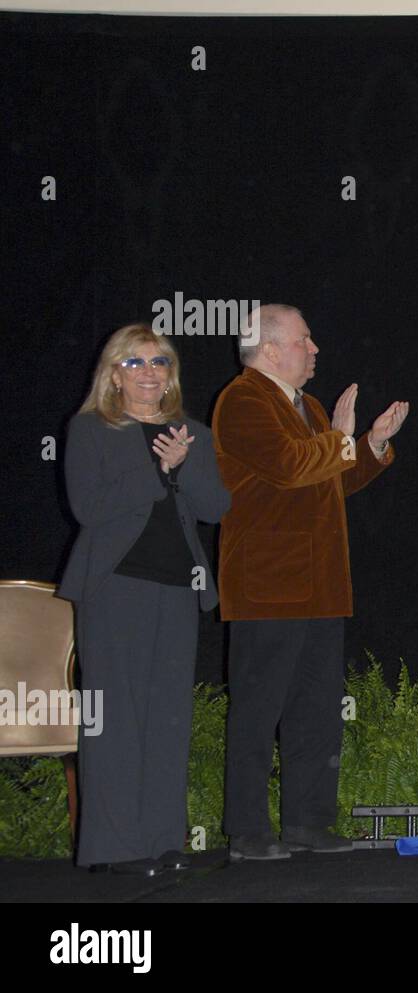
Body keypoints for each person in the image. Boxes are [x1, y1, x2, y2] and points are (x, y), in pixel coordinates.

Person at [212, 304, 408, 860]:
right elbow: (291, 465)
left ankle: (307, 821)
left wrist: (368, 444)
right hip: (268, 586)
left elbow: (331, 481)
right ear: (271, 350)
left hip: (319, 584)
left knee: (318, 709)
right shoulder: (243, 399)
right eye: (304, 339)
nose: (315, 348)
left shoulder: (310, 405)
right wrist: (341, 441)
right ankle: (247, 832)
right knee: (257, 709)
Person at [58, 323, 230, 875]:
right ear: (114, 373)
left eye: (160, 362)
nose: (150, 372)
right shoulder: (90, 429)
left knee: (168, 720)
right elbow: (90, 507)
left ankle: (162, 843)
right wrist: (157, 468)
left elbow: (215, 507)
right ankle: (113, 850)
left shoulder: (190, 431)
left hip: (180, 590)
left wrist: (182, 465)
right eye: (136, 363)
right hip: (114, 590)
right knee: (114, 722)